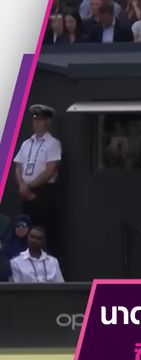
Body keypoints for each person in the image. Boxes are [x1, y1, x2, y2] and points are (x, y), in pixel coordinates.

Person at [12, 105, 61, 254]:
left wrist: (30, 186)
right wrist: (22, 186)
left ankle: (45, 262)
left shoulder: (53, 143)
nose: (36, 123)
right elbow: (18, 166)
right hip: (25, 192)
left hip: (43, 192)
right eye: (34, 119)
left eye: (40, 119)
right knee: (25, 229)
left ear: (48, 122)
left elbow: (50, 170)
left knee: (43, 231)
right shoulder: (26, 143)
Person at [0, 215, 32, 282]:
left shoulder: (34, 246)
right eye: (18, 226)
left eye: (24, 225)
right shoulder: (7, 247)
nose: (20, 228)